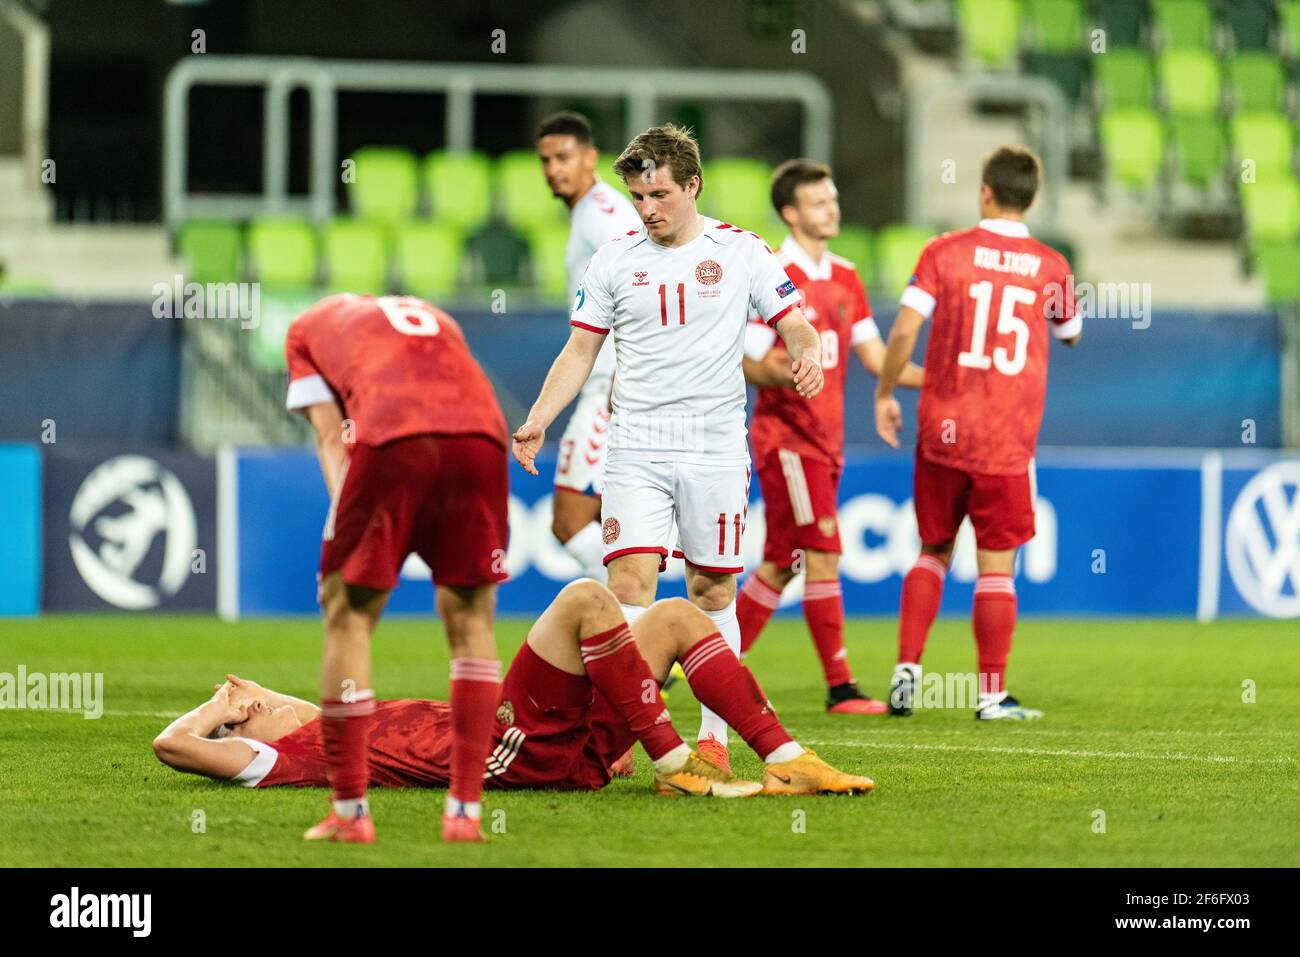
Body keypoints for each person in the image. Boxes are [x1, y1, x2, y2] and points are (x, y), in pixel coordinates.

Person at [512, 124, 824, 774]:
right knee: (628, 584)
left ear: (692, 184)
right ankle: (619, 734)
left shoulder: (742, 251)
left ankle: (714, 739)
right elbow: (580, 351)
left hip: (713, 449)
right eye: (636, 196)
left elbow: (794, 321)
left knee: (712, 588)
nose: (648, 208)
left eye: (658, 194)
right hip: (635, 447)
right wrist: (539, 417)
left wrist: (806, 353)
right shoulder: (613, 261)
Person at [151, 580, 876, 829]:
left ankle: (786, 760)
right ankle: (677, 759)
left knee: (679, 616)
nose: (253, 687)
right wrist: (217, 704)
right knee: (587, 600)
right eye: (249, 695)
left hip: (548, 748)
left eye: (245, 687)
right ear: (247, 722)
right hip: (509, 751)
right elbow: (172, 746)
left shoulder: (330, 723)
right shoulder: (295, 753)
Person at [284, 293, 508, 842]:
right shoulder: (437, 314)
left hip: (391, 433)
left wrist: (345, 526)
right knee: (474, 621)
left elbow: (332, 434)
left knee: (348, 614)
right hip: (482, 436)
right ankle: (464, 815)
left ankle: (350, 814)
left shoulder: (305, 331)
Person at [873, 146, 1081, 720]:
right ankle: (990, 695)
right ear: (1031, 197)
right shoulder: (1051, 264)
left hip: (942, 432)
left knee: (932, 550)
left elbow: (905, 331)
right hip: (1006, 440)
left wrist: (887, 392)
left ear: (984, 191)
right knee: (996, 564)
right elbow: (1071, 332)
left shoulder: (944, 251)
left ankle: (906, 674)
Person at [737, 159, 924, 714]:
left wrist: (943, 382)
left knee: (784, 559)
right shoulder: (768, 271)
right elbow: (749, 362)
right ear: (790, 213)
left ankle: (700, 661)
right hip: (787, 439)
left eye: (834, 199)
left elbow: (875, 358)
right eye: (820, 202)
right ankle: (841, 688)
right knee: (822, 551)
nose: (833, 209)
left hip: (827, 442)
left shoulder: (845, 276)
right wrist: (790, 368)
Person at [534, 111, 642, 585]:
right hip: (615, 382)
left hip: (612, 386)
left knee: (570, 521)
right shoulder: (590, 212)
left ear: (591, 158)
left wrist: (628, 369)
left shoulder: (602, 212)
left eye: (564, 156)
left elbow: (639, 275)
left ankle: (650, 625)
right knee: (609, 525)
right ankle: (638, 638)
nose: (554, 168)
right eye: (546, 160)